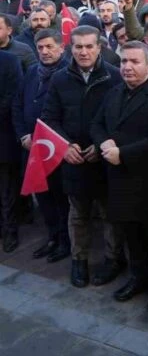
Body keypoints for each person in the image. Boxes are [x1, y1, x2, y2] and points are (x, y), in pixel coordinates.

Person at [90, 41, 148, 312]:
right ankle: (139, 278)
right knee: (131, 236)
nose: (127, 67)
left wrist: (123, 154)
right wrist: (103, 142)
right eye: (123, 61)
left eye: (134, 62)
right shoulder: (115, 92)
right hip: (118, 179)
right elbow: (96, 123)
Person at [41, 25, 124, 289]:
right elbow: (49, 117)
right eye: (78, 46)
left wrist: (103, 147)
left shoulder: (114, 77)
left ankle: (113, 259)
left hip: (104, 161)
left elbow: (122, 121)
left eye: (89, 46)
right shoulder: (60, 79)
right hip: (73, 160)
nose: (84, 52)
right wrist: (64, 146)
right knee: (78, 215)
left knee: (110, 214)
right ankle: (79, 260)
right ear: (70, 47)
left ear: (100, 47)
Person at [12, 29, 70, 262]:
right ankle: (53, 237)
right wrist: (23, 135)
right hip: (32, 148)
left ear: (61, 48)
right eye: (40, 48)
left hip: (56, 151)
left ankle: (66, 241)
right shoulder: (32, 72)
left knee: (60, 198)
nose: (44, 52)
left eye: (49, 47)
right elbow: (17, 105)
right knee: (43, 197)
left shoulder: (68, 75)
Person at [0, 50, 23, 253]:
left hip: (3, 135)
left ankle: (10, 230)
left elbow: (13, 96)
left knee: (6, 189)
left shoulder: (9, 60)